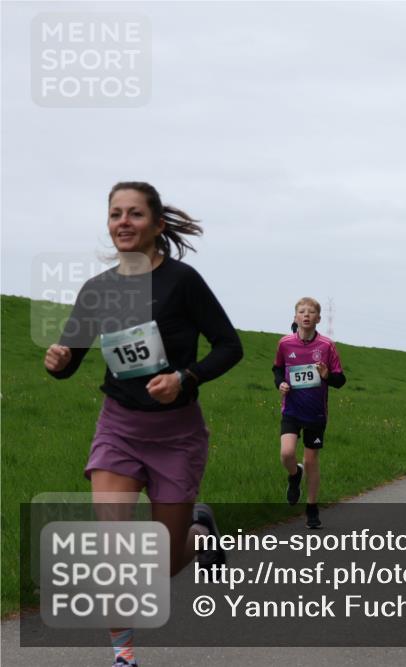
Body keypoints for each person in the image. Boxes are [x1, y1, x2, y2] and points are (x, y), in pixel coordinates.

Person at [44, 182, 243, 667]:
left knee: (161, 563)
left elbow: (229, 346)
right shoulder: (98, 289)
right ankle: (124, 656)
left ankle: (198, 534)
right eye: (116, 214)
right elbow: (72, 357)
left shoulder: (183, 281)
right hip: (119, 430)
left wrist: (185, 378)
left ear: (157, 224)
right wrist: (59, 361)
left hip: (176, 436)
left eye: (134, 214)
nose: (123, 222)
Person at [273, 298, 346, 529]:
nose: (306, 315)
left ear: (318, 318)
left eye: (311, 312)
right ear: (295, 317)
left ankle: (312, 509)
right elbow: (277, 369)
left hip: (315, 413)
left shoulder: (327, 346)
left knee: (311, 460)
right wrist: (280, 384)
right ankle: (295, 475)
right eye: (302, 312)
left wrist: (326, 375)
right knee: (286, 453)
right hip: (292, 409)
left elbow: (340, 380)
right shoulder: (285, 344)